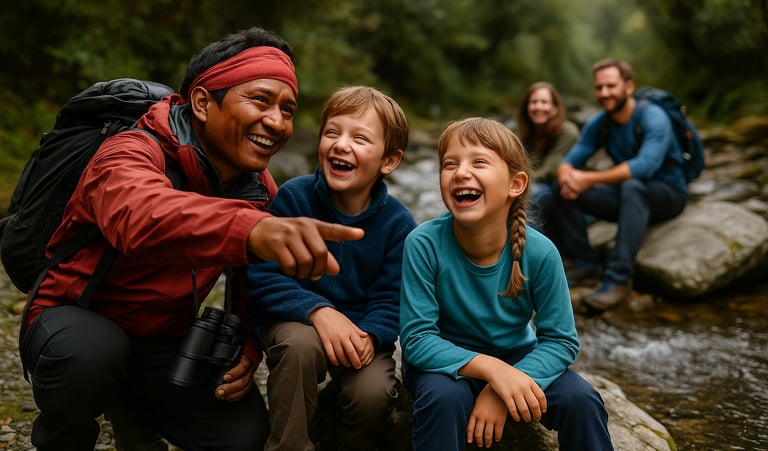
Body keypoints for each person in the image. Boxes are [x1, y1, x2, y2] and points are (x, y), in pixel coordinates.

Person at [17, 27, 364, 451]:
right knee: (87, 355)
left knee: (244, 438)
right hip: (76, 320)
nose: (276, 122)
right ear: (202, 102)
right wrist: (252, 228)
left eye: (287, 109)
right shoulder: (128, 152)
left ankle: (132, 410)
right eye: (260, 100)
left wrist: (249, 349)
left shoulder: (256, 185)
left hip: (163, 338)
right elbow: (140, 216)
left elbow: (254, 280)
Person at [399, 117, 613, 451]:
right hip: (443, 362)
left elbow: (560, 341)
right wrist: (494, 372)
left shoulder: (540, 252)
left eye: (479, 162)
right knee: (445, 399)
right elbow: (417, 340)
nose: (460, 172)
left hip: (517, 356)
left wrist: (503, 388)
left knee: (581, 399)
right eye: (449, 164)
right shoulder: (422, 243)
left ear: (516, 184)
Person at [247, 85, 416, 451]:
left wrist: (371, 336)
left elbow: (394, 298)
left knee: (372, 392)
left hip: (360, 333)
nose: (341, 145)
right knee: (299, 348)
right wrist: (317, 310)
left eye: (360, 139)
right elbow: (262, 275)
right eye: (333, 133)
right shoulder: (294, 197)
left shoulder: (398, 223)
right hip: (297, 320)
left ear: (389, 161)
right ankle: (289, 444)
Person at [550, 59, 688, 310]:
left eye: (611, 86)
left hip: (668, 194)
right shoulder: (600, 122)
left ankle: (618, 281)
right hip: (626, 197)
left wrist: (587, 179)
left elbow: (645, 165)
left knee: (632, 186)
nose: (604, 93)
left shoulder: (652, 116)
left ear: (628, 86)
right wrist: (567, 177)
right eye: (599, 88)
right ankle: (585, 264)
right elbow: (571, 158)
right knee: (559, 191)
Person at [515, 81, 580, 233]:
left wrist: (519, 182)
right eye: (534, 102)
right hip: (532, 182)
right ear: (527, 107)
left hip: (561, 188)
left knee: (532, 193)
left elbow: (551, 170)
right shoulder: (524, 133)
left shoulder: (567, 132)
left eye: (544, 102)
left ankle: (532, 250)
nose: (538, 107)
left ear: (555, 108)